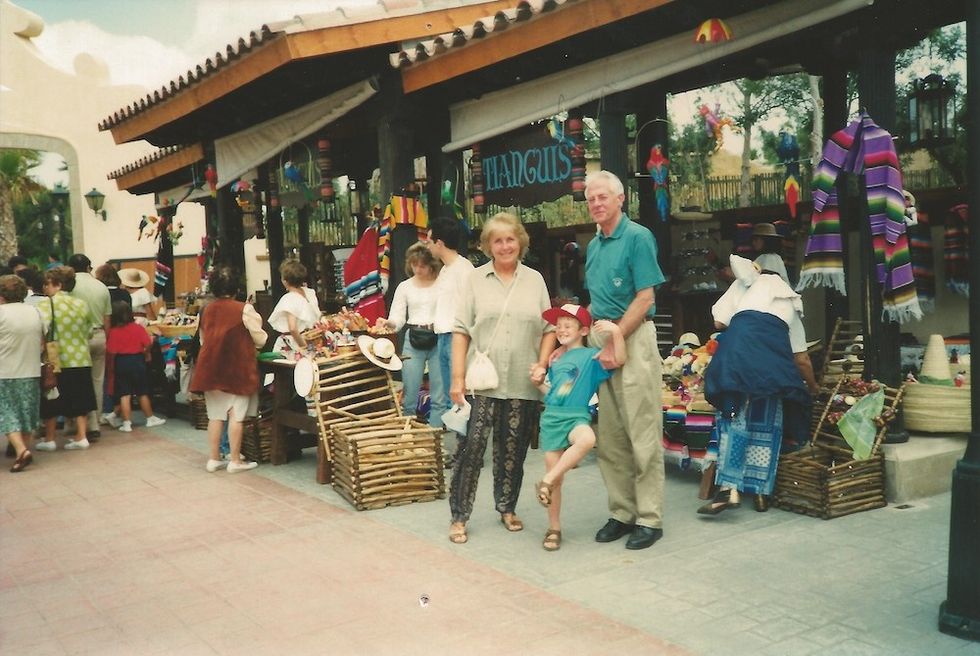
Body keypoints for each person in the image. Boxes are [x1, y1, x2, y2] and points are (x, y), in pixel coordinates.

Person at [447, 212, 555, 545]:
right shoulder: (475, 280)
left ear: (520, 242)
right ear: (487, 246)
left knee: (513, 449)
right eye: (497, 241)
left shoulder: (534, 280)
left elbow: (549, 328)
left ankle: (507, 506)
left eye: (510, 239)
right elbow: (461, 330)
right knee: (472, 447)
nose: (505, 246)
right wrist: (457, 378)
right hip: (481, 382)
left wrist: (542, 364)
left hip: (523, 379)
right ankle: (459, 515)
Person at [584, 170, 667, 551]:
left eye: (603, 197)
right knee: (611, 435)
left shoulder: (637, 237)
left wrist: (616, 336)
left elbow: (646, 297)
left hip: (633, 337)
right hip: (602, 338)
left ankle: (649, 517)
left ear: (620, 199)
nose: (596, 204)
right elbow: (596, 302)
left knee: (642, 431)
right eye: (591, 199)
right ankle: (622, 512)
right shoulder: (594, 246)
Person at [699, 255, 818, 514]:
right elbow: (802, 360)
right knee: (767, 425)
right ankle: (761, 492)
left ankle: (729, 489)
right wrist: (814, 388)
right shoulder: (790, 303)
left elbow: (718, 322)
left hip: (737, 361)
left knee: (735, 420)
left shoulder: (746, 288)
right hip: (772, 369)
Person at [531, 304, 625, 551]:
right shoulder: (556, 360)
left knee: (587, 439)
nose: (561, 330)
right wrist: (538, 383)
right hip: (552, 417)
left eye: (568, 326)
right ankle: (554, 528)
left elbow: (619, 359)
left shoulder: (592, 356)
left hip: (576, 417)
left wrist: (616, 332)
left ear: (583, 330)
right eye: (558, 326)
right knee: (557, 482)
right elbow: (555, 393)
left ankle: (546, 480)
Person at [189, 266, 267, 474]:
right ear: (236, 287)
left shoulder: (206, 310)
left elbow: (203, 339)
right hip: (237, 366)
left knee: (215, 416)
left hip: (209, 367)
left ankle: (214, 458)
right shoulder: (244, 309)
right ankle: (235, 460)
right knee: (236, 414)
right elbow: (260, 337)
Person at [427, 216, 474, 468]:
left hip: (457, 337)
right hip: (443, 336)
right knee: (451, 395)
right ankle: (461, 448)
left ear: (440, 243)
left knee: (461, 395)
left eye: (429, 241)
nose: (427, 245)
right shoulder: (445, 270)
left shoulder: (464, 269)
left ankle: (466, 451)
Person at [376, 243, 442, 420]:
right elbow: (397, 317)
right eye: (414, 265)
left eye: (422, 265)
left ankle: (435, 432)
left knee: (439, 395)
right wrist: (388, 323)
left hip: (438, 338)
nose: (418, 269)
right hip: (413, 337)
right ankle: (408, 431)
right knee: (409, 393)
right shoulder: (405, 287)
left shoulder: (442, 283)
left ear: (431, 264)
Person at [35, 266, 98, 451]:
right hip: (81, 357)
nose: (45, 287)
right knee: (80, 397)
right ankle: (81, 436)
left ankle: (50, 438)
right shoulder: (81, 304)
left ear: (58, 284)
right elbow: (89, 331)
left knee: (52, 399)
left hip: (56, 359)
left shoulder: (45, 305)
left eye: (48, 284)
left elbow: (41, 331)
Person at [0, 275, 44, 472]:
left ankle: (21, 450)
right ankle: (23, 450)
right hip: (31, 368)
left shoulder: (1, 313)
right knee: (27, 413)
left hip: (5, 370)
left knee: (6, 412)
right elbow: (43, 341)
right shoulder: (35, 312)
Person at [67, 254, 112, 441]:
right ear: (88, 267)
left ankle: (77, 423)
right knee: (97, 381)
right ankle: (95, 423)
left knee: (78, 382)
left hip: (76, 339)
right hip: (99, 335)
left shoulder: (69, 287)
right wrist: (106, 338)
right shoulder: (101, 286)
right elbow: (107, 318)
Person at [106, 301, 166, 432]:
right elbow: (148, 343)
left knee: (124, 394)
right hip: (137, 360)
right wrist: (146, 352)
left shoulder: (113, 332)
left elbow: (110, 351)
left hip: (121, 362)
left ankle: (126, 423)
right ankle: (150, 418)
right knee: (142, 392)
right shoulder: (138, 328)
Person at [268, 260, 319, 354]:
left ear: (285, 281)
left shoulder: (289, 298)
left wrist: (303, 346)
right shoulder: (309, 293)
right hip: (309, 338)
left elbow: (292, 328)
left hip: (294, 342)